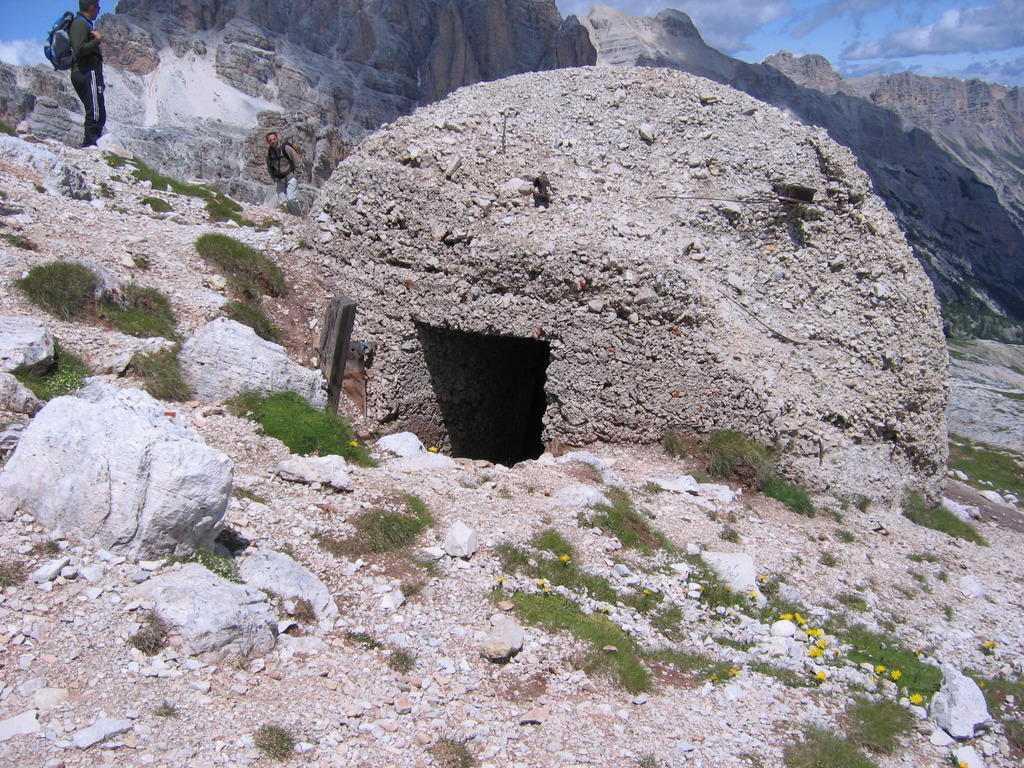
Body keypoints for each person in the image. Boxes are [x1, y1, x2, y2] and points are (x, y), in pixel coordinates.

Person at [69, 1, 105, 147]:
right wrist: (98, 40)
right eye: (97, 6)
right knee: (95, 111)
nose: (99, 10)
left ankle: (91, 142)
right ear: (91, 7)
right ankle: (91, 143)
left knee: (96, 108)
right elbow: (79, 49)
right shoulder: (80, 24)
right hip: (87, 72)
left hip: (88, 73)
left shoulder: (84, 24)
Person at [265, 132, 302, 216]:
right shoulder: (268, 153)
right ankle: (289, 218)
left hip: (290, 176)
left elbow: (297, 161)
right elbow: (269, 167)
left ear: (277, 139)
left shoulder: (286, 148)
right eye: (270, 140)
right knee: (283, 202)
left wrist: (295, 176)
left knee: (291, 199)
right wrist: (273, 178)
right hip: (279, 179)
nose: (272, 141)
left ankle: (299, 217)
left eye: (274, 139)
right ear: (268, 142)